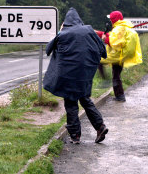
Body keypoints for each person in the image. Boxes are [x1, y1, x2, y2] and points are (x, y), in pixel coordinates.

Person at [43, 8, 108, 144]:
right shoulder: (89, 30)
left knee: (71, 102)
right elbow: (103, 51)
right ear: (79, 20)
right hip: (85, 74)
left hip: (68, 75)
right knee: (85, 99)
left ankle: (75, 135)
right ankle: (100, 126)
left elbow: (48, 49)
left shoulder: (63, 33)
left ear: (66, 22)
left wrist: (60, 31)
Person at [100, 11, 142, 102]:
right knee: (116, 75)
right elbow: (114, 38)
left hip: (118, 56)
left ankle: (119, 95)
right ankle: (119, 95)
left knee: (114, 75)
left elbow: (114, 43)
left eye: (111, 19)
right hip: (120, 55)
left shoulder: (119, 29)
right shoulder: (122, 27)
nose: (110, 21)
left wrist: (104, 39)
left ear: (113, 20)